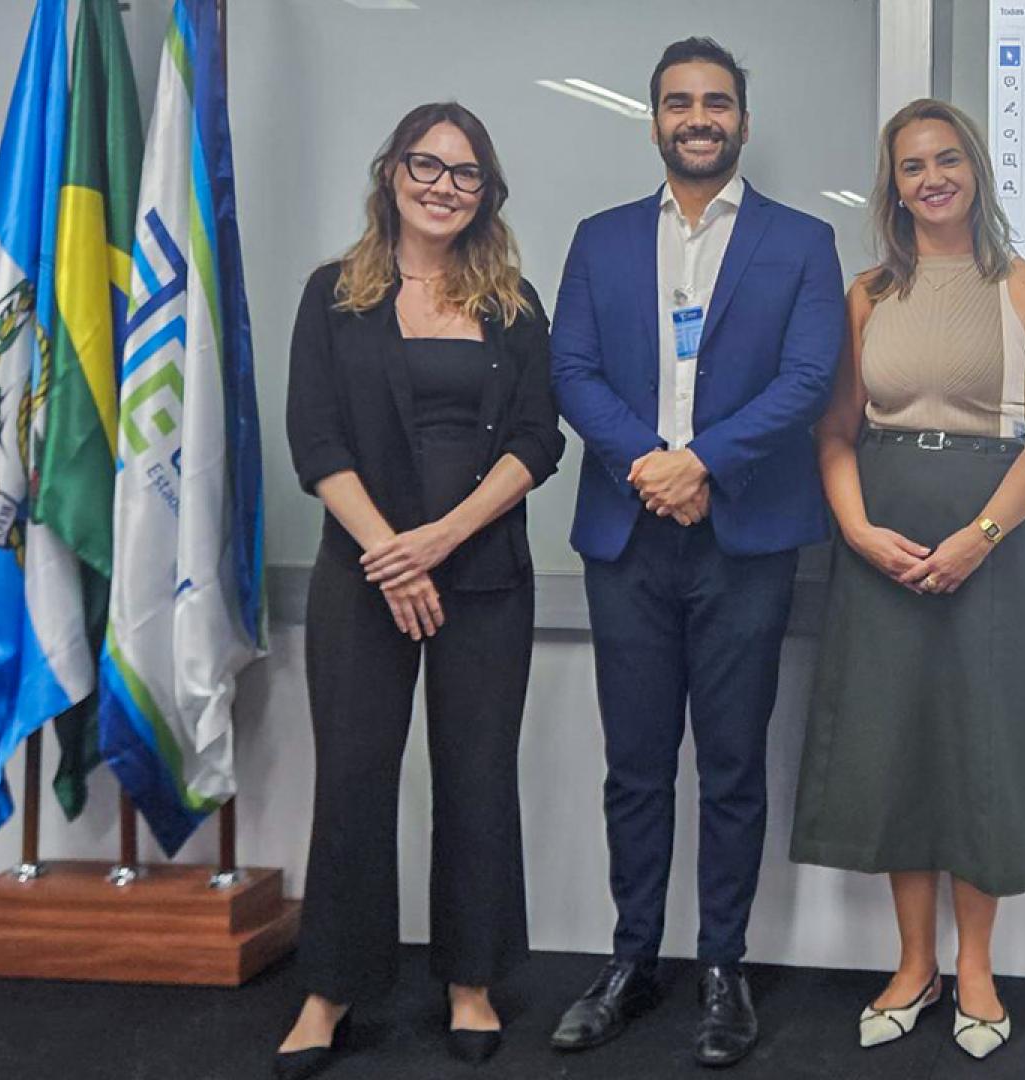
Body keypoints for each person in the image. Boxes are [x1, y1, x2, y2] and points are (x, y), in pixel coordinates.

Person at [547, 38, 844, 1069]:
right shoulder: (600, 238)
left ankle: (724, 966)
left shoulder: (802, 243)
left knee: (730, 767)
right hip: (629, 535)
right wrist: (651, 465)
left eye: (717, 101)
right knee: (634, 766)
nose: (699, 117)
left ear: (744, 121)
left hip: (745, 538)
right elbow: (572, 371)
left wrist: (705, 463)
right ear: (656, 118)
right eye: (680, 102)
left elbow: (808, 379)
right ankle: (633, 960)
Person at [277, 102, 564, 1078]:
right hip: (363, 583)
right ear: (391, 173)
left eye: (465, 172)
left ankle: (470, 981)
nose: (444, 185)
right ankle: (329, 990)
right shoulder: (334, 296)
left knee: (476, 783)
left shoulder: (515, 304)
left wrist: (438, 541)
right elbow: (316, 441)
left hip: (485, 576)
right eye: (426, 165)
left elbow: (539, 442)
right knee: (354, 785)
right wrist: (390, 555)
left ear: (487, 193)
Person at [789, 98, 1025, 1060]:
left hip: (987, 549)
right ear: (894, 186)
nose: (932, 179)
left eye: (947, 160)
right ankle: (914, 966)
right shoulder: (866, 292)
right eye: (912, 167)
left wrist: (980, 535)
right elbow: (835, 431)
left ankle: (979, 971)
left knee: (978, 748)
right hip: (879, 545)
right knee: (892, 747)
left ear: (975, 173)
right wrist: (859, 529)